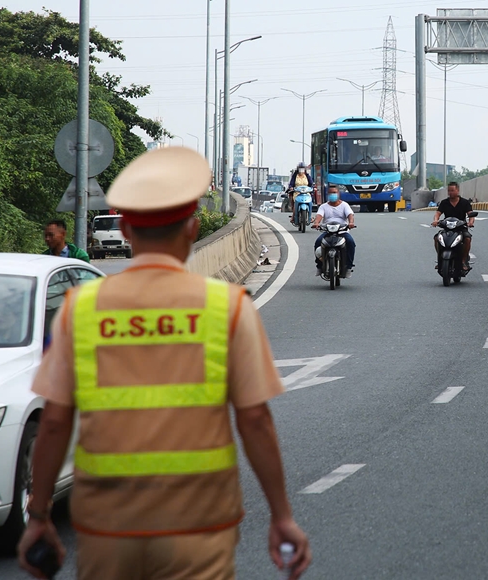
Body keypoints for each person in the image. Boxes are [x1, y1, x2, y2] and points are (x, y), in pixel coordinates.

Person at [18, 147, 311, 580]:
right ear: (193, 229)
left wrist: (39, 515)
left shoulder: (80, 309)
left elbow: (56, 423)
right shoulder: (226, 308)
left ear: (126, 229)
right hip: (199, 524)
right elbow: (255, 421)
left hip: (107, 526)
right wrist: (281, 515)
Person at [311, 184, 355, 276]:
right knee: (318, 242)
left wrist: (351, 223)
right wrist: (316, 223)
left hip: (342, 231)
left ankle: (349, 267)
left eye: (334, 193)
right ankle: (319, 266)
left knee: (351, 242)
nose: (332, 194)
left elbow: (350, 215)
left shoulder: (344, 205)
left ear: (338, 193)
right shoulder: (323, 206)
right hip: (328, 231)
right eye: (330, 193)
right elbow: (319, 216)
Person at [431, 181, 475, 270]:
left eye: (452, 190)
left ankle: (463, 260)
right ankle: (440, 260)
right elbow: (438, 213)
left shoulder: (465, 202)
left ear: (457, 191)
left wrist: (470, 222)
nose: (450, 193)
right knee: (437, 238)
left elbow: (471, 214)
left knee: (467, 238)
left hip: (460, 227)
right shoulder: (444, 202)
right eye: (449, 191)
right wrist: (435, 221)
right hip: (447, 228)